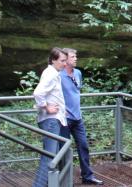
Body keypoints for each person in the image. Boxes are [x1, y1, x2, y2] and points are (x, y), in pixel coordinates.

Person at [59, 48, 103, 185]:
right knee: (64, 150)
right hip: (64, 119)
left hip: (77, 118)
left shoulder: (78, 73)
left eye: (75, 56)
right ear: (65, 60)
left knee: (84, 146)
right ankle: (64, 179)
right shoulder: (58, 75)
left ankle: (87, 176)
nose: (76, 58)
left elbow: (76, 92)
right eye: (73, 57)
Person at [32, 47, 69, 187]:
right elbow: (38, 93)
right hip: (51, 121)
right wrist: (46, 106)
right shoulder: (52, 74)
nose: (65, 64)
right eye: (62, 61)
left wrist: (61, 111)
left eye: (66, 61)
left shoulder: (52, 72)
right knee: (49, 157)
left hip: (51, 120)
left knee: (49, 155)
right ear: (53, 60)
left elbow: (52, 95)